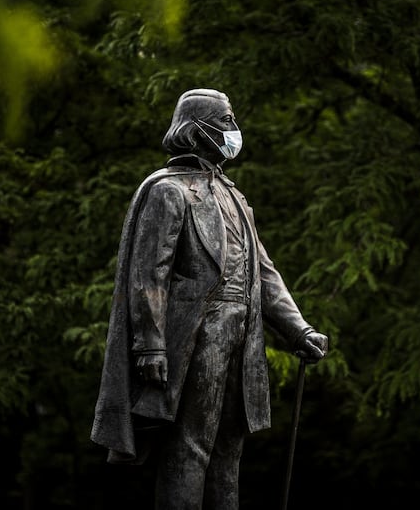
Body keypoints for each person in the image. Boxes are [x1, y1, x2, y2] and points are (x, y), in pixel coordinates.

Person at [90, 88, 328, 509]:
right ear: (194, 130)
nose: (234, 130)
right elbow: (149, 275)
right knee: (190, 446)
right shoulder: (168, 191)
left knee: (227, 452)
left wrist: (297, 329)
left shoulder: (235, 197)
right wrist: (150, 345)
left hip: (242, 336)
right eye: (225, 121)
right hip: (194, 337)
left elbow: (264, 273)